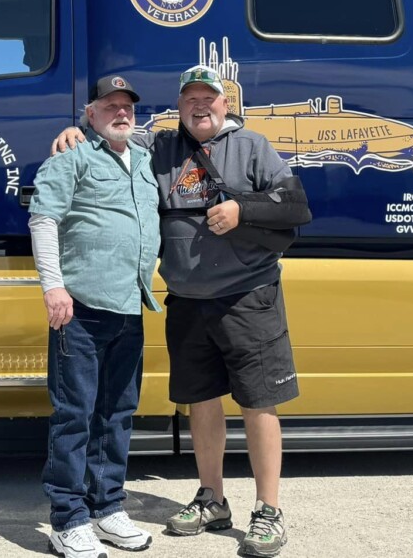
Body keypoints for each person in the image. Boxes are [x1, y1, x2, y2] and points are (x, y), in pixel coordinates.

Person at [54, 64, 300, 558]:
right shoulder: (161, 148)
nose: (200, 105)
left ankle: (268, 511)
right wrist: (75, 129)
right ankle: (212, 499)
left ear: (225, 104)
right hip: (187, 300)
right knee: (201, 401)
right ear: (180, 106)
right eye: (190, 98)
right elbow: (113, 129)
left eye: (209, 97)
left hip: (248, 296)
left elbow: (295, 207)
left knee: (257, 402)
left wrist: (242, 210)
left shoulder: (253, 147)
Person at [29, 74, 162, 558]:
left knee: (117, 414)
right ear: (90, 114)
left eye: (127, 106)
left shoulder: (145, 161)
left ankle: (107, 509)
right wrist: (53, 287)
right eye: (110, 106)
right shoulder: (73, 158)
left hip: (130, 306)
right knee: (75, 416)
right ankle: (68, 519)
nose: (121, 112)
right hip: (81, 308)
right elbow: (44, 219)